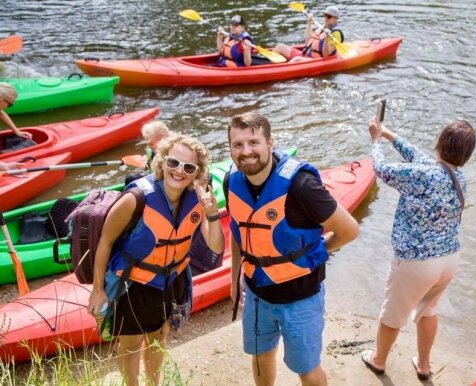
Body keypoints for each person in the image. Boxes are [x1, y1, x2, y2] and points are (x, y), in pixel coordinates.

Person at [225, 112, 359, 386]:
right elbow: (238, 233)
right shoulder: (231, 182)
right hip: (257, 293)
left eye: (253, 142)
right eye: (238, 145)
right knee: (260, 357)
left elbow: (349, 230)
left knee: (307, 371)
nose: (246, 151)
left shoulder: (302, 186)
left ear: (270, 142)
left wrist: (314, 254)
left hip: (301, 297)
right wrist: (233, 279)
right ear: (230, 148)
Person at [87, 133, 224, 386]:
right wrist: (97, 291)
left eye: (189, 167)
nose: (179, 171)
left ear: (197, 172)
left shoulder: (200, 198)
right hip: (133, 282)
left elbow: (216, 246)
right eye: (173, 163)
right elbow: (104, 242)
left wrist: (212, 214)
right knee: (129, 343)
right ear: (161, 162)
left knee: (158, 337)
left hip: (172, 280)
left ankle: (153, 383)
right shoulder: (135, 199)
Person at [361, 117, 476, 381]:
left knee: (392, 314)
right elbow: (421, 157)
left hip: (417, 262)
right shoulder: (458, 177)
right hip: (448, 259)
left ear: (439, 143)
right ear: (466, 154)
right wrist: (391, 135)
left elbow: (380, 168)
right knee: (429, 310)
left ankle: (378, 360)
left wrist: (376, 141)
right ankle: (423, 365)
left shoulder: (419, 175)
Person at [272, 6, 344, 62]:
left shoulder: (336, 34)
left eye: (329, 17)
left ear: (336, 19)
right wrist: (309, 23)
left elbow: (326, 55)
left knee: (296, 60)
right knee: (279, 47)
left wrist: (326, 39)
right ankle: (266, 64)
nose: (326, 18)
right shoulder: (322, 28)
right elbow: (307, 42)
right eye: (325, 15)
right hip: (305, 55)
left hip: (316, 60)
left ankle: (277, 71)